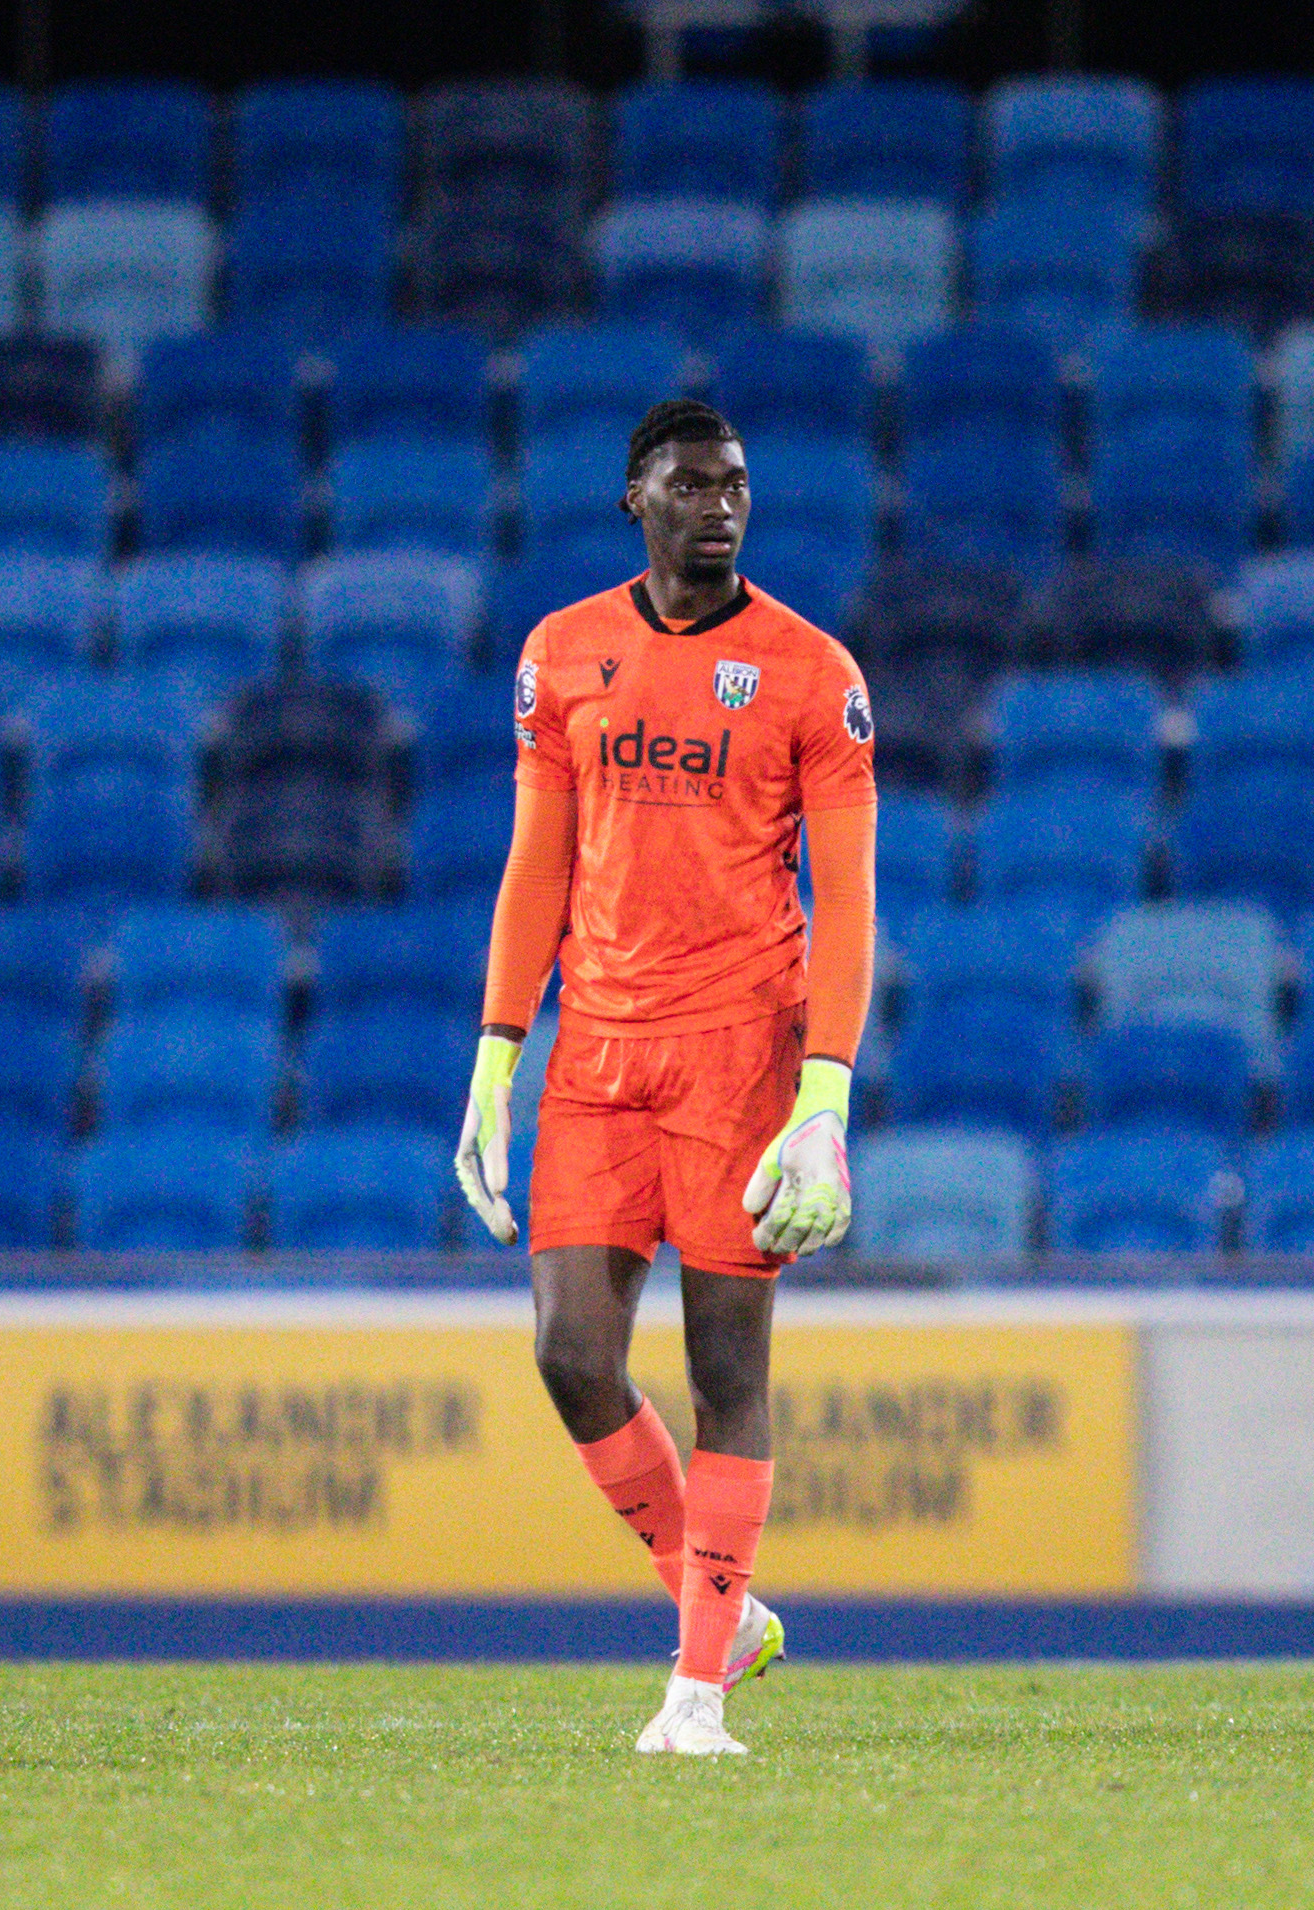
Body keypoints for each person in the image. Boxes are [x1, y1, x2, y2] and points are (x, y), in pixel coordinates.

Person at [453, 399, 877, 1757]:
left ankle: (695, 1691)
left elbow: (851, 899)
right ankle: (725, 1610)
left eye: (737, 483)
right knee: (571, 1353)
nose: (720, 504)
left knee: (724, 1368)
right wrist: (494, 1053)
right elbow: (536, 868)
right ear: (634, 499)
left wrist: (826, 1098)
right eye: (690, 485)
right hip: (598, 1054)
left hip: (739, 1056)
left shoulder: (812, 673)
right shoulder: (563, 654)